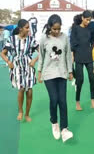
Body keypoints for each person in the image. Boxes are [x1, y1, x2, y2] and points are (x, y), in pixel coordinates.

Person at [37, 14, 74, 142]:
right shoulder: (44, 39)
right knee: (54, 99)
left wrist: (70, 71)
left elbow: (68, 55)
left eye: (59, 29)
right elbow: (41, 56)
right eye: (54, 29)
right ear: (49, 27)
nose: (57, 31)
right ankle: (54, 122)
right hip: (48, 73)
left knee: (62, 101)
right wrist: (39, 71)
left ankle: (64, 129)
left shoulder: (65, 38)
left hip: (62, 72)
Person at [0, 19, 39, 122]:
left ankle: (27, 114)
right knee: (21, 89)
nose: (28, 29)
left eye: (29, 27)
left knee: (29, 91)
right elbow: (2, 53)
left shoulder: (31, 40)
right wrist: (8, 62)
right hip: (17, 66)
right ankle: (20, 111)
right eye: (26, 27)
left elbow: (41, 52)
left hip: (29, 65)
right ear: (21, 28)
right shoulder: (11, 39)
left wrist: (34, 60)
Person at [70, 10, 94, 111]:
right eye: (87, 19)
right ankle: (77, 102)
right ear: (82, 18)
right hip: (78, 57)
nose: (88, 21)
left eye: (89, 20)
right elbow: (72, 43)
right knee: (80, 80)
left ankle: (92, 102)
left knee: (92, 79)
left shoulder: (90, 29)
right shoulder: (75, 29)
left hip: (89, 57)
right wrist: (72, 58)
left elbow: (93, 42)